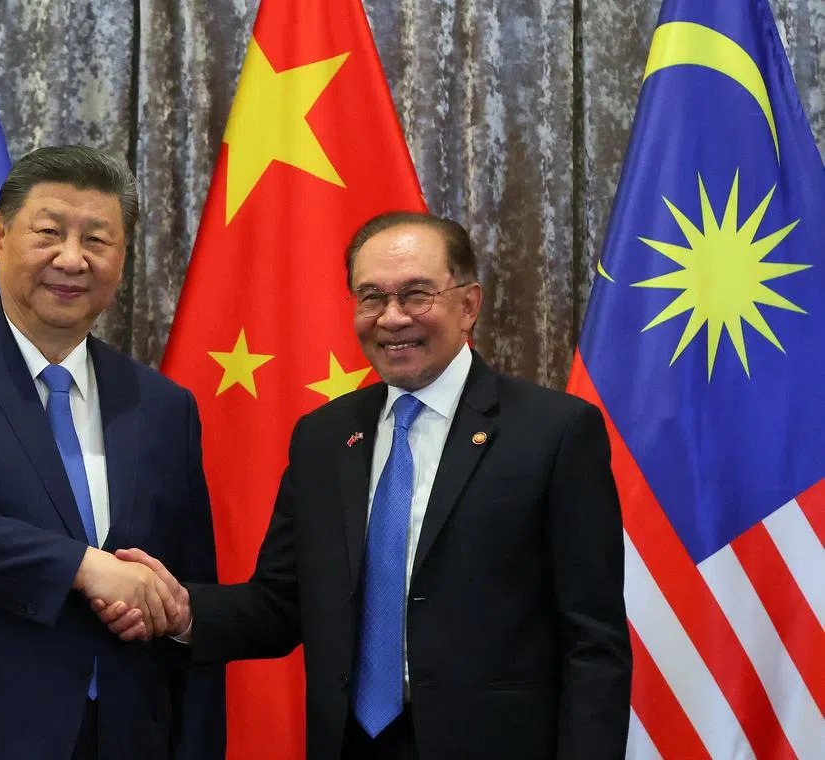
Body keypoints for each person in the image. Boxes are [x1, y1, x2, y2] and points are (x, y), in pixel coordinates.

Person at [100, 212, 632, 759]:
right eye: (371, 297)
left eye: (416, 295)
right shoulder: (324, 438)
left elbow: (594, 642)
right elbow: (281, 604)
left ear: (469, 304)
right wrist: (182, 609)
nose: (392, 317)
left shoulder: (555, 432)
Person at [0, 145, 225, 760]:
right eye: (49, 233)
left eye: (98, 240)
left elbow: (186, 584)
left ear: (122, 257)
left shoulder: (163, 404)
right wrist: (86, 567)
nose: (72, 259)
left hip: (125, 732)